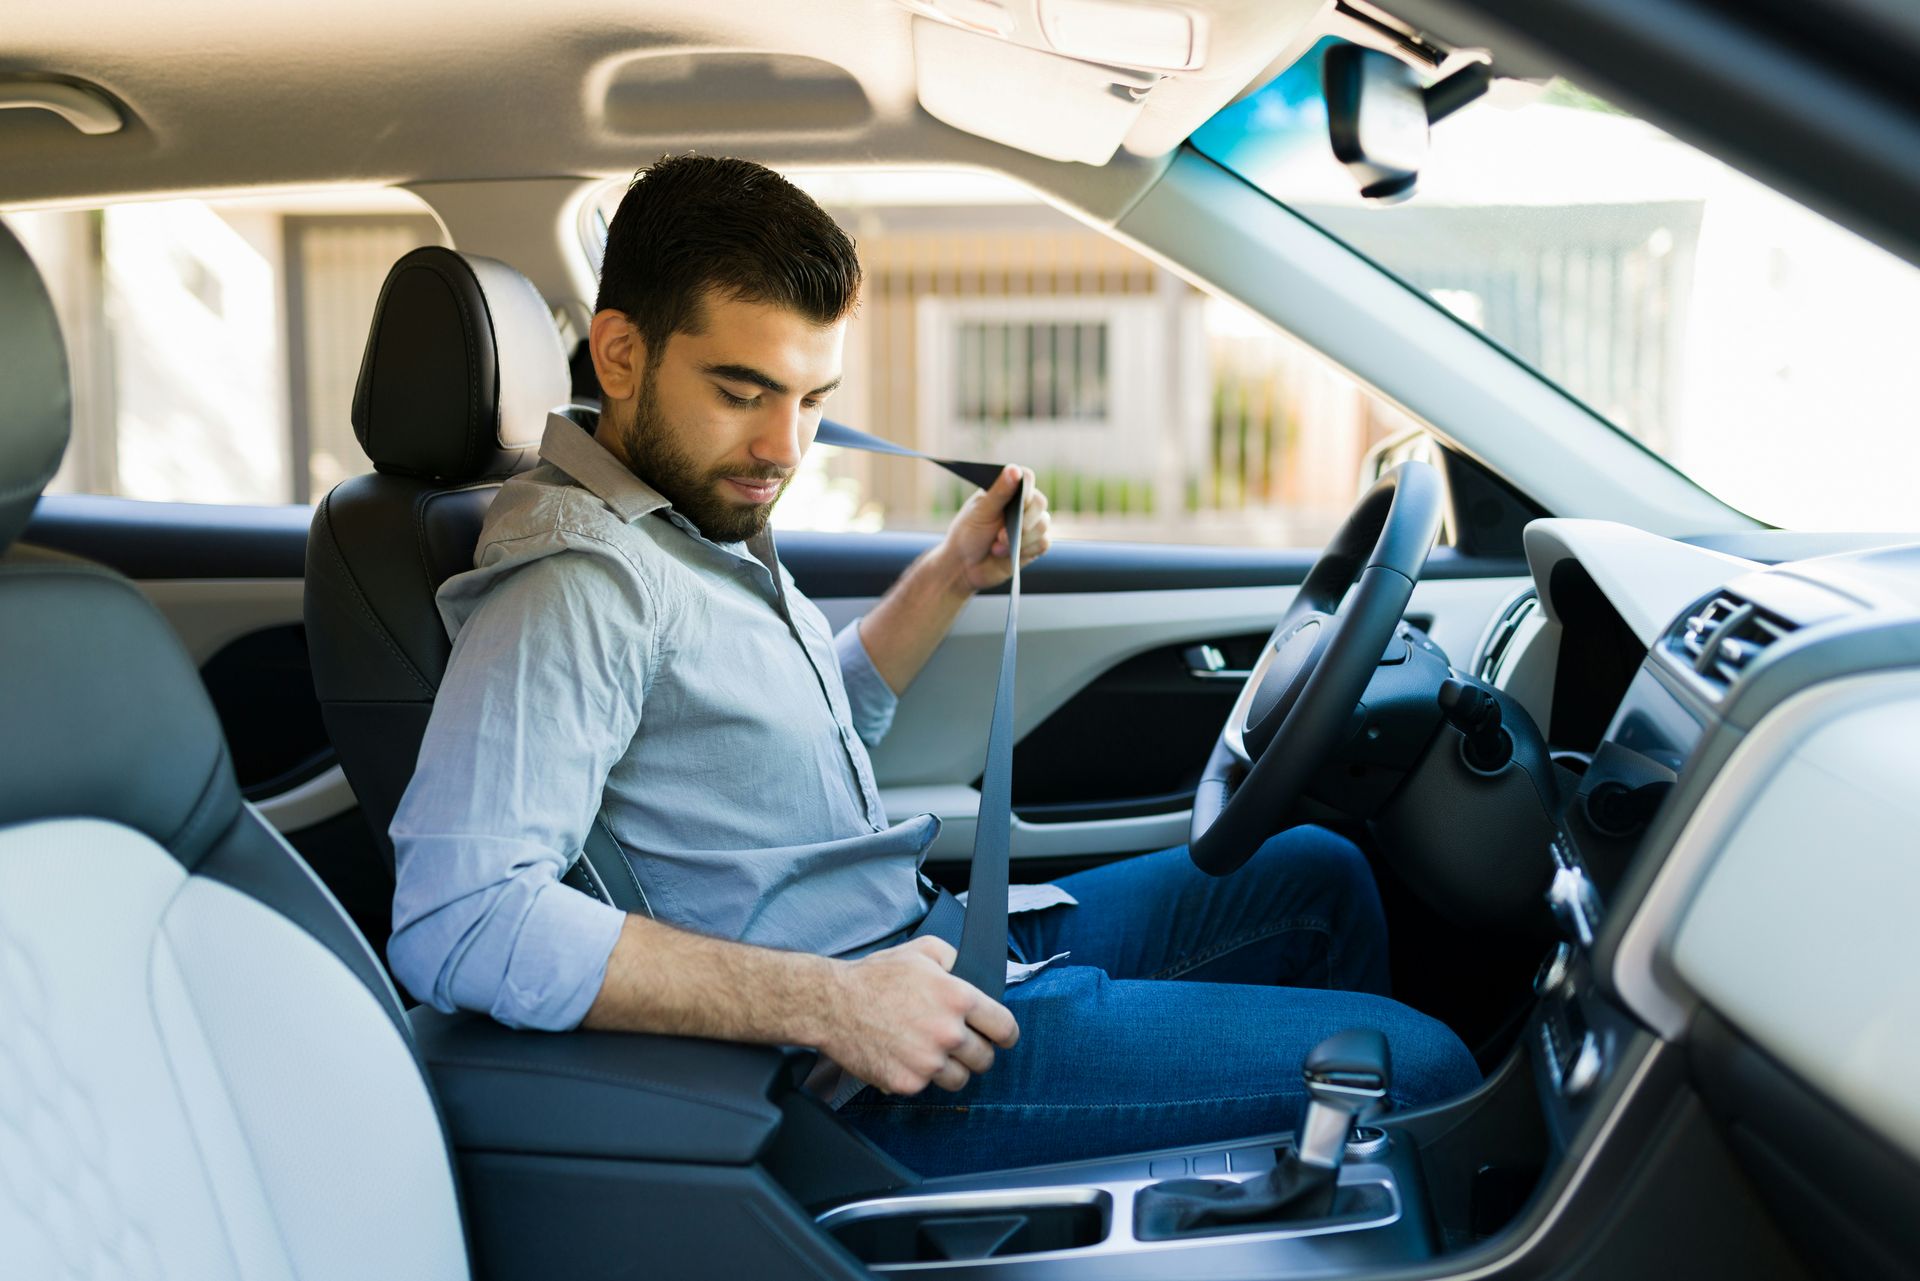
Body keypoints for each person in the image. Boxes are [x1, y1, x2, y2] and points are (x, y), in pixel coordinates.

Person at [388, 154, 1479, 1178]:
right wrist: (832, 1004)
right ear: (620, 353)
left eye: (813, 400)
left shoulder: (682, 523)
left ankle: (1308, 1209)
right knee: (1421, 1065)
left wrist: (959, 569)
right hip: (863, 1071)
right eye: (742, 389)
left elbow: (804, 739)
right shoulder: (577, 584)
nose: (784, 449)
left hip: (921, 949)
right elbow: (462, 919)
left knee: (1317, 876)